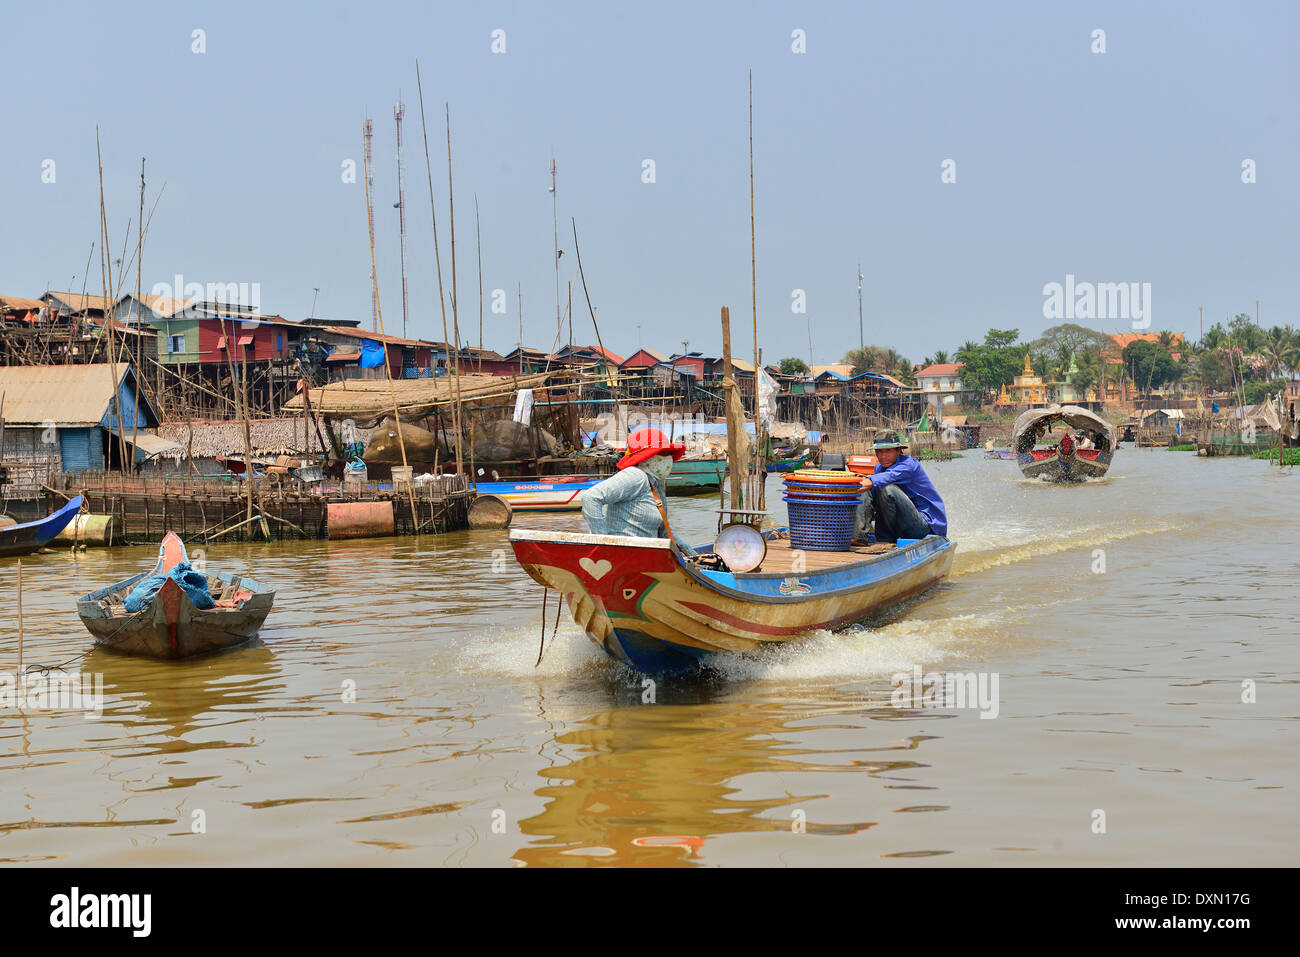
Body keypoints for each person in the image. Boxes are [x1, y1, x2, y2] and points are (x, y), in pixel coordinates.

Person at [581, 427, 685, 538]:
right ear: (646, 457)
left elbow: (664, 532)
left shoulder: (656, 482)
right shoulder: (635, 476)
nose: (667, 458)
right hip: (624, 551)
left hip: (650, 551)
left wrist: (687, 551)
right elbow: (590, 498)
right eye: (662, 453)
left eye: (669, 453)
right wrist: (602, 542)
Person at [854, 430, 948, 543]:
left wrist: (850, 487)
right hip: (901, 523)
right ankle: (859, 537)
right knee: (865, 491)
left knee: (888, 491)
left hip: (925, 527)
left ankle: (885, 540)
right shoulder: (879, 468)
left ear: (899, 450)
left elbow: (886, 478)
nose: (883, 456)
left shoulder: (908, 465)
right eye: (879, 451)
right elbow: (871, 492)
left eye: (888, 451)